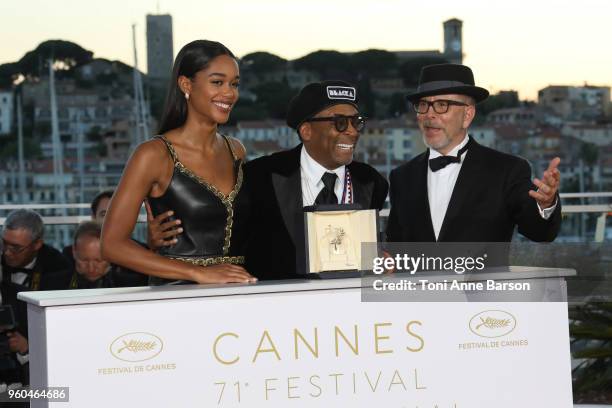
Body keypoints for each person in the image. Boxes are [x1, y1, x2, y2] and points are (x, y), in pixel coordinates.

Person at [101, 40, 256, 285]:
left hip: (238, 292)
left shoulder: (236, 150)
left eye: (234, 84)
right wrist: (198, 273)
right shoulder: (153, 154)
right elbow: (111, 245)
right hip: (177, 298)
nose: (230, 93)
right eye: (217, 82)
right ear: (186, 84)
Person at [386, 64, 561, 243]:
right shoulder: (402, 177)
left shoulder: (507, 170)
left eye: (441, 105)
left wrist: (545, 205)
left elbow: (540, 233)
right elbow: (396, 246)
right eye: (423, 105)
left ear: (467, 115)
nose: (429, 114)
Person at [243, 80, 389, 279]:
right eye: (340, 122)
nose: (353, 131)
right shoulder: (258, 177)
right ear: (307, 131)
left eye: (356, 122)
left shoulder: (372, 182)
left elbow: (368, 254)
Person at [0, 209, 72, 386]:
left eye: (15, 248)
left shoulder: (59, 267)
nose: (7, 252)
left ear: (37, 244)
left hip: (39, 350)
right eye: (4, 243)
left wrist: (28, 345)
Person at [69, 221, 146, 289]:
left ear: (111, 254)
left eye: (98, 261)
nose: (91, 268)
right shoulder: (57, 285)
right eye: (84, 260)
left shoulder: (132, 286)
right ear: (74, 251)